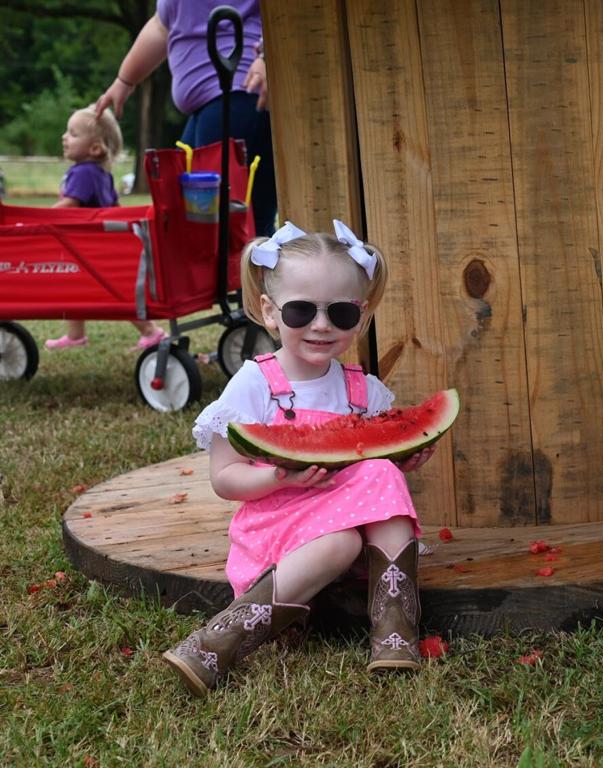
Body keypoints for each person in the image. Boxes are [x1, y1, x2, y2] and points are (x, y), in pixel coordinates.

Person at [163, 220, 435, 696]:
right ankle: (217, 642)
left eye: (342, 314)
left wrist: (404, 458)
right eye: (301, 310)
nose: (322, 325)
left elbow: (373, 466)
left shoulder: (362, 390)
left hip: (350, 526)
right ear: (270, 312)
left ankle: (395, 631)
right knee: (341, 542)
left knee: (378, 475)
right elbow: (225, 478)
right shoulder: (253, 385)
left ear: (362, 312)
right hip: (278, 530)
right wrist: (276, 476)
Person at [94, 0, 277, 236]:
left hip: (241, 95)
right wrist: (125, 81)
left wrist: (266, 55)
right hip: (206, 109)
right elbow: (162, 26)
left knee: (238, 227)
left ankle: (260, 271)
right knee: (187, 216)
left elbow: (285, 13)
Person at [44, 104, 165, 351]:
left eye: (73, 133)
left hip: (88, 247)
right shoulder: (101, 173)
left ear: (95, 148)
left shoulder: (83, 173)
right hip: (95, 245)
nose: (64, 137)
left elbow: (70, 204)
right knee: (75, 288)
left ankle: (150, 331)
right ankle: (75, 335)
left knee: (114, 293)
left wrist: (42, 217)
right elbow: (115, 206)